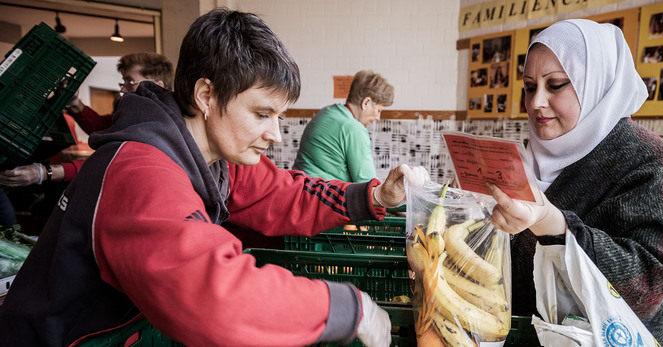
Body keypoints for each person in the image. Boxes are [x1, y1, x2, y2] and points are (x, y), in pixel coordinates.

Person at [0, 8, 421, 346]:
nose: (275, 134)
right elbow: (213, 296)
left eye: (279, 116)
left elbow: (285, 193)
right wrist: (349, 308)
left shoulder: (216, 158)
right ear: (206, 95)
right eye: (261, 114)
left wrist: (377, 196)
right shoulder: (140, 171)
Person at [486, 19, 663, 346]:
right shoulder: (533, 161)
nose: (536, 103)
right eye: (530, 86)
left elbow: (647, 285)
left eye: (557, 84)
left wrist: (555, 226)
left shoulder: (657, 167)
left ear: (598, 84)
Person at [0, 52, 174, 187]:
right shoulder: (134, 117)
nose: (123, 90)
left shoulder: (155, 127)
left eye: (130, 82)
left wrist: (45, 173)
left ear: (157, 86)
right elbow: (103, 126)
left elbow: (109, 163)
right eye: (123, 82)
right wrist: (75, 103)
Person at [292, 70, 394, 182]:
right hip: (322, 196)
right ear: (366, 103)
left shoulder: (326, 112)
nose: (378, 117)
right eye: (378, 110)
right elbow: (368, 185)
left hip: (299, 188)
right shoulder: (354, 129)